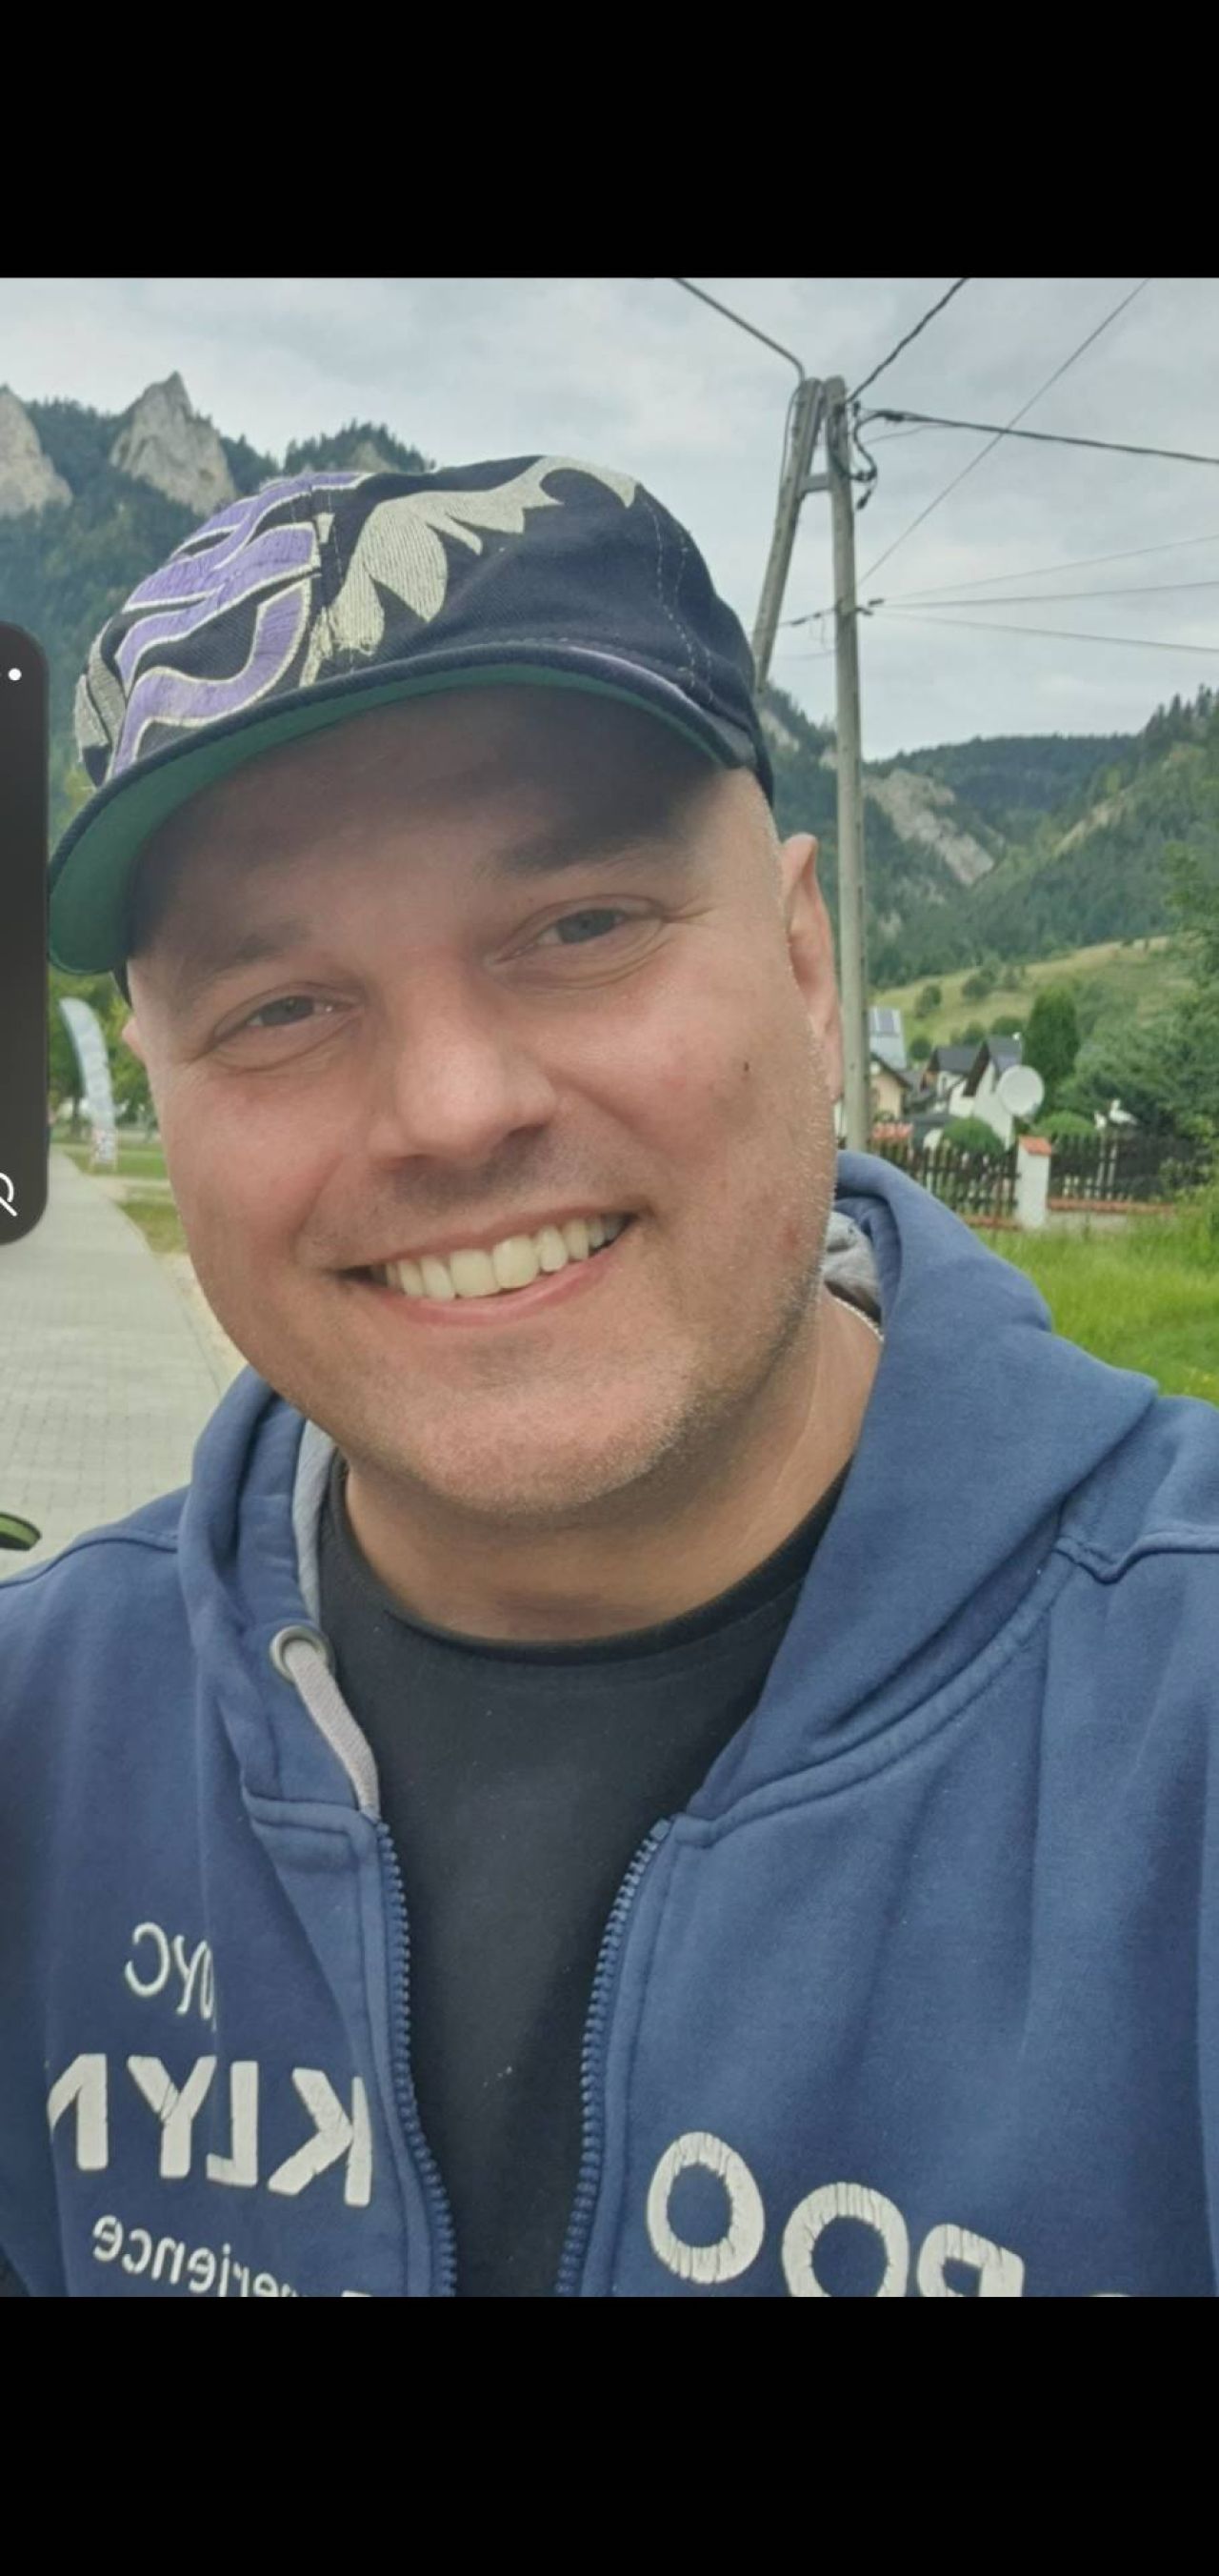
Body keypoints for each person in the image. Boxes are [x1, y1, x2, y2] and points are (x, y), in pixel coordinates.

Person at [1, 455, 1217, 2302]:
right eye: (279, 1008)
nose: (452, 1109)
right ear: (157, 1092)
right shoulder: (42, 1746)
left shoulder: (1174, 1725)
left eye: (579, 927)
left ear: (804, 967)